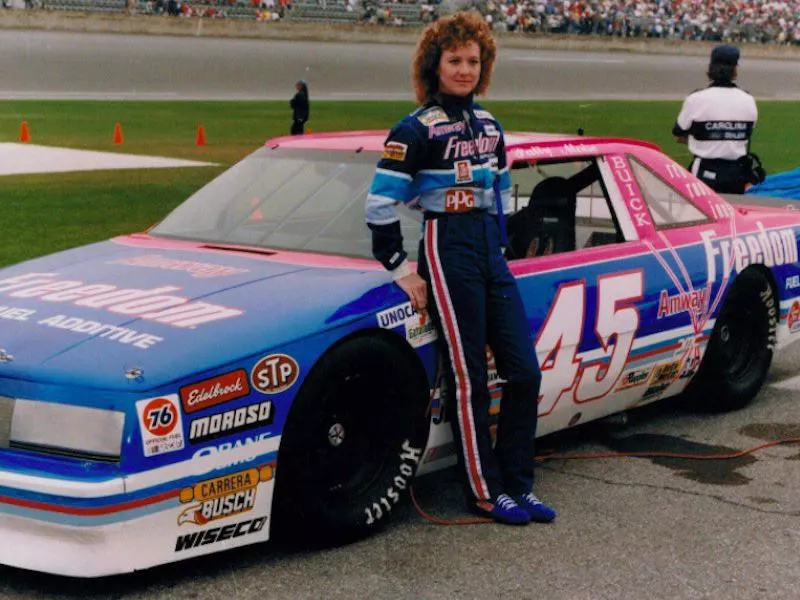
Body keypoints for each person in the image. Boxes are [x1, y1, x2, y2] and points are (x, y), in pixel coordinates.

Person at [364, 11, 556, 526]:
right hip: (445, 245)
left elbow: (498, 190)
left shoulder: (490, 124)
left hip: (489, 248)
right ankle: (485, 490)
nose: (465, 69)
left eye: (474, 60)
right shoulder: (413, 129)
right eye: (455, 60)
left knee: (524, 370)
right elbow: (379, 207)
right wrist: (402, 269)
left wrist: (502, 246)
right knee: (470, 375)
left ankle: (519, 483)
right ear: (434, 65)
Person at [672, 44, 758, 194]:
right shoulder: (748, 100)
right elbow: (746, 132)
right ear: (735, 70)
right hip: (736, 174)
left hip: (704, 171)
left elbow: (678, 131)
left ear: (710, 69)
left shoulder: (696, 99)